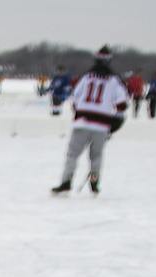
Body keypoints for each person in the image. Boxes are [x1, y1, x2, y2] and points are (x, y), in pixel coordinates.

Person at [53, 46, 128, 194]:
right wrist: (115, 122)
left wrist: (80, 112)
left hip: (82, 122)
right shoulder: (114, 80)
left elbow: (74, 98)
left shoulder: (86, 77)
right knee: (96, 156)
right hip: (102, 126)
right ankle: (94, 182)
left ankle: (66, 181)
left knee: (72, 155)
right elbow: (122, 104)